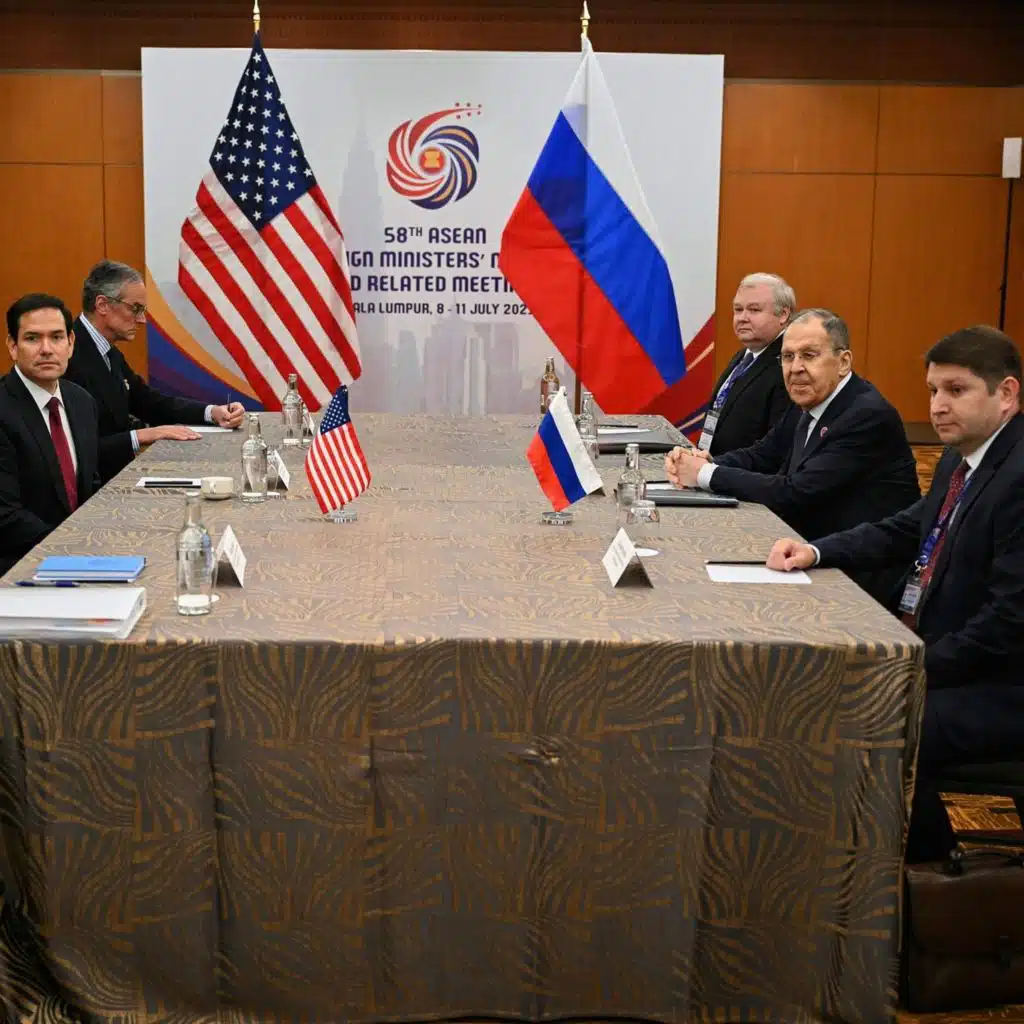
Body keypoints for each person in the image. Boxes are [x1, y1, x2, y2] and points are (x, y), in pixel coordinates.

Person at [766, 325, 1024, 862]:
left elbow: (1008, 622)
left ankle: (933, 878)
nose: (937, 406)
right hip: (952, 653)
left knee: (873, 717)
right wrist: (816, 551)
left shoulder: (1017, 477)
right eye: (933, 390)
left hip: (1001, 683)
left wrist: (910, 667)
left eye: (956, 390)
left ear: (1006, 394)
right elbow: (908, 527)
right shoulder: (962, 457)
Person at [665, 308, 920, 602]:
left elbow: (795, 493)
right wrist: (704, 461)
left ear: (843, 362)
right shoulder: (809, 399)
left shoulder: (865, 415)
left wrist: (703, 474)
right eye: (788, 357)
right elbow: (763, 454)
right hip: (802, 551)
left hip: (857, 577)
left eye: (809, 355)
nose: (795, 368)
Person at [65, 260, 245, 481]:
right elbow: (76, 450)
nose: (142, 320)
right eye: (135, 308)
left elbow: (148, 402)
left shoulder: (107, 351)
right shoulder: (67, 355)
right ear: (102, 305)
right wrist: (143, 435)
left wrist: (212, 412)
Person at [0, 293, 101, 577]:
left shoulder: (82, 402)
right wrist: (74, 548)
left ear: (71, 343)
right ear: (13, 346)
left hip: (80, 561)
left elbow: (89, 486)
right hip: (18, 567)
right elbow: (5, 515)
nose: (46, 349)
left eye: (56, 337)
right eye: (33, 338)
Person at [697, 272, 795, 455]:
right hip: (712, 464)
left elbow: (776, 447)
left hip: (742, 469)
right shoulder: (744, 355)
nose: (742, 317)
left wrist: (716, 466)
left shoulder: (789, 364)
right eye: (738, 309)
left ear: (783, 315)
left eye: (754, 310)